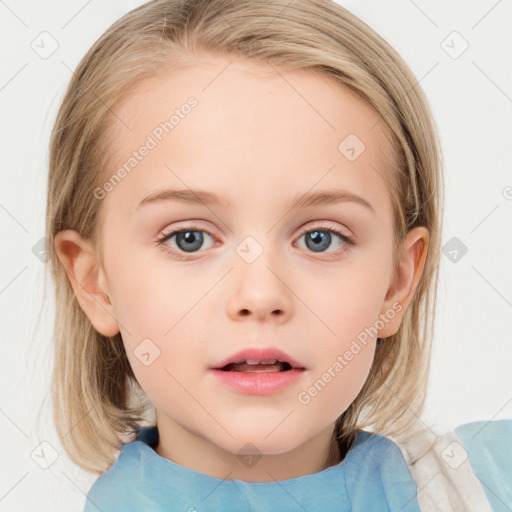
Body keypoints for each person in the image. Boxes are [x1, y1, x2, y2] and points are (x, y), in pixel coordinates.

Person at [45, 0, 512, 510]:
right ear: (94, 284)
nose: (260, 295)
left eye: (320, 238)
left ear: (398, 283)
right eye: (189, 239)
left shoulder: (487, 486)